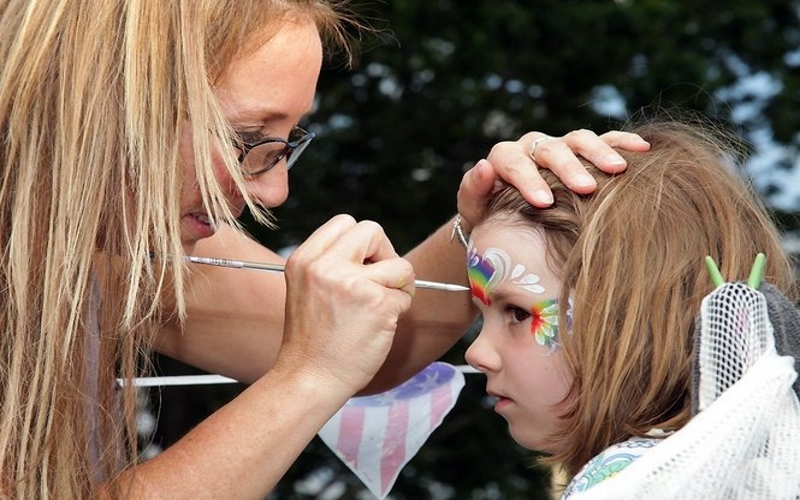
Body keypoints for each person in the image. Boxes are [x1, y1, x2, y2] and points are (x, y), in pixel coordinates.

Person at [0, 0, 651, 497]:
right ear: (99, 105)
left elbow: (370, 352)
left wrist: (475, 225)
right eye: (245, 138)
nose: (276, 189)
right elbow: (326, 358)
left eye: (285, 142)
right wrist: (307, 377)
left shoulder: (121, 247)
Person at [462, 116, 798, 498]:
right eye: (481, 314)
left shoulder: (626, 482)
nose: (476, 352)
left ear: (632, 321)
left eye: (518, 313)